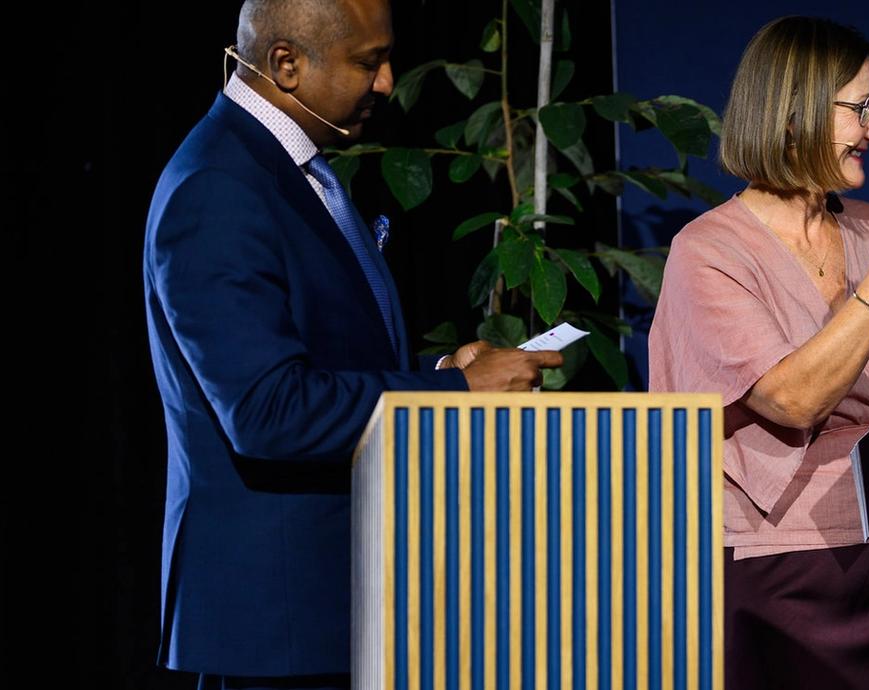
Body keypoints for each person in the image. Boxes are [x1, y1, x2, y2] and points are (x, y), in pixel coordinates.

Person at [143, 0, 558, 686]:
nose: (388, 82)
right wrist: (453, 393)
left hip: (340, 609)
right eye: (369, 61)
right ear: (286, 65)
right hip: (281, 626)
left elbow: (322, 361)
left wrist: (437, 370)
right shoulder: (218, 187)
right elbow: (269, 411)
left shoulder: (286, 170)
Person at [647, 16, 869, 689]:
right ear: (791, 115)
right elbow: (792, 400)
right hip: (784, 581)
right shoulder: (709, 252)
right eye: (860, 109)